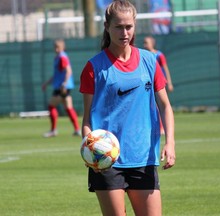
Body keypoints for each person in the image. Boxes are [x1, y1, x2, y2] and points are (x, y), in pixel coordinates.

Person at [79, 1, 176, 215]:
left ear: (135, 26)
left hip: (143, 157)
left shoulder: (150, 61)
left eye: (129, 27)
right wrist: (90, 149)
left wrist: (170, 142)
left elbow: (165, 106)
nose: (124, 32)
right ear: (107, 26)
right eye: (118, 27)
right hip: (107, 160)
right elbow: (87, 119)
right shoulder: (94, 67)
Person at [42, 39, 81, 138]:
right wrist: (47, 83)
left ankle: (53, 130)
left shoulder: (62, 57)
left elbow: (68, 71)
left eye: (58, 47)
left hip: (62, 87)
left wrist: (64, 83)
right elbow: (57, 74)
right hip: (63, 86)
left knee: (51, 106)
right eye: (55, 47)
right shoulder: (58, 57)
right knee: (68, 108)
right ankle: (77, 129)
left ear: (63, 47)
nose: (56, 49)